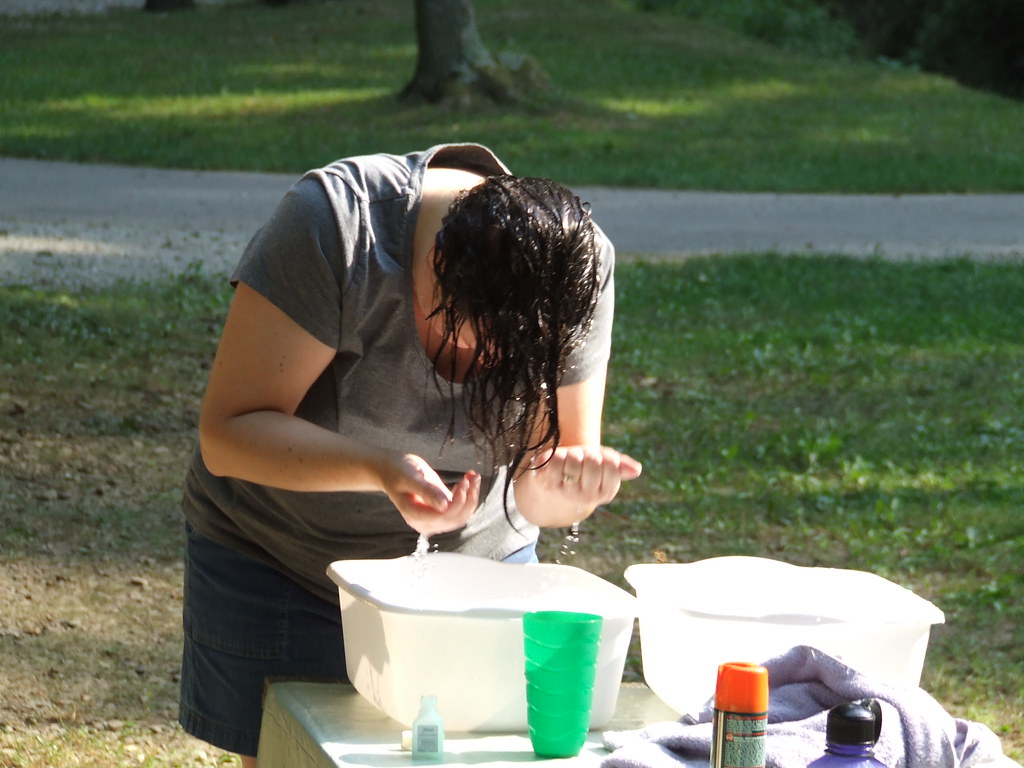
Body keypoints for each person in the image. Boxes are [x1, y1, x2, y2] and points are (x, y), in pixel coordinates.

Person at [177, 143, 642, 766]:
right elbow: (230, 431)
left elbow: (538, 482)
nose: (489, 370)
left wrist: (566, 486)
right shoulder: (337, 226)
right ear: (438, 264)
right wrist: (377, 468)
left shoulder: (573, 272)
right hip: (283, 557)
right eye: (479, 341)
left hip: (475, 574)